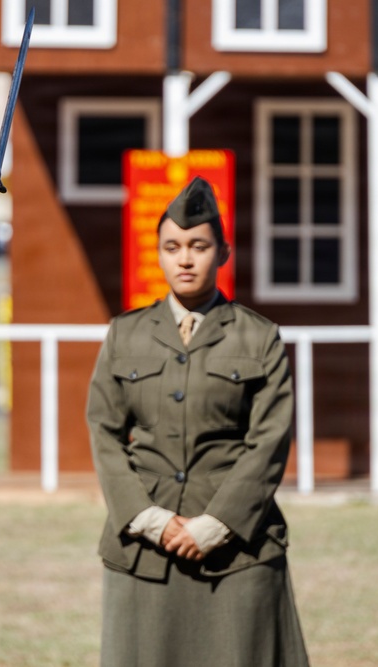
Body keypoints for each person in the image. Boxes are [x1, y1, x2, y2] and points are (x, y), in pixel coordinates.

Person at [86, 176, 309, 666]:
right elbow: (103, 431)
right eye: (172, 247)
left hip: (237, 550)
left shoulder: (259, 337)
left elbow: (270, 441)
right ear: (159, 254)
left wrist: (216, 525)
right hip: (144, 546)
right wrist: (150, 520)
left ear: (223, 252)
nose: (185, 258)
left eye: (198, 246)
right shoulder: (126, 334)